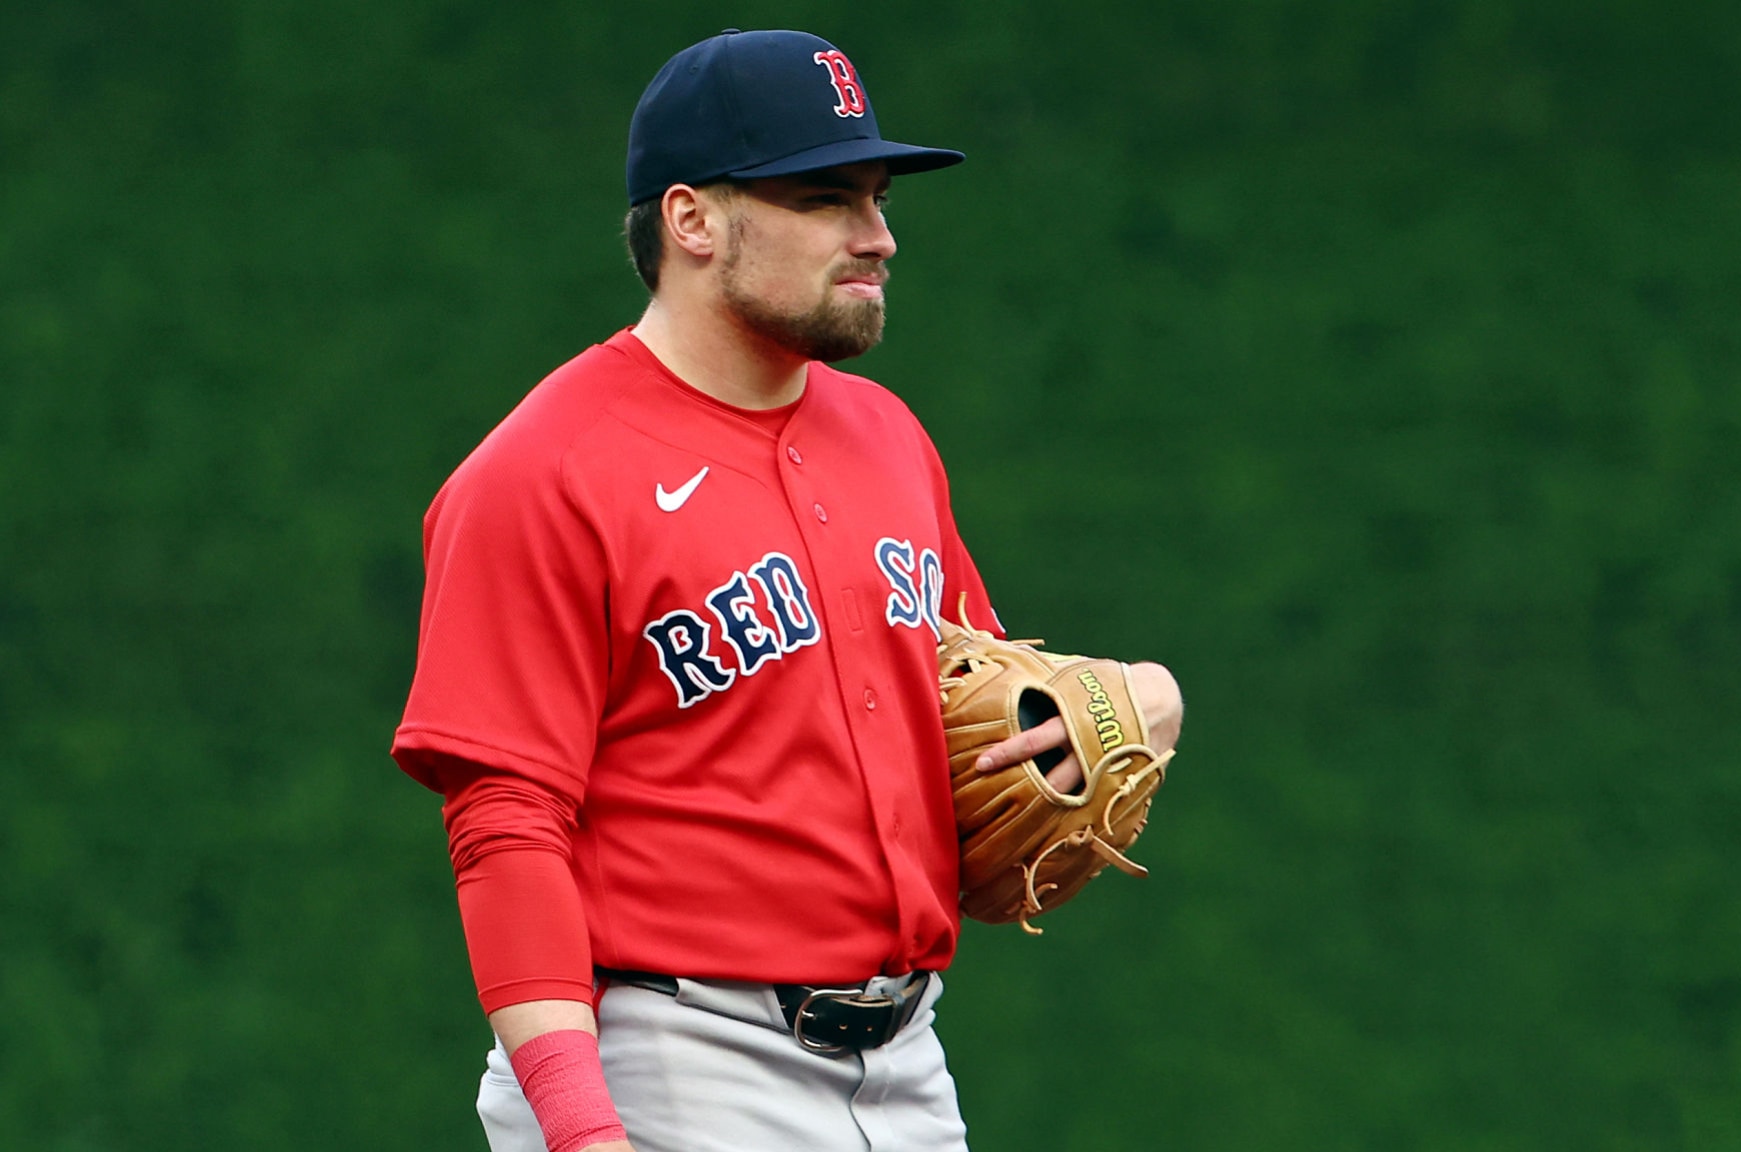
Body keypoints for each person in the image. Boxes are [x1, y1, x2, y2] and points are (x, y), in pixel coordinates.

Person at [390, 28, 1183, 1152]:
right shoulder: (541, 473)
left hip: (908, 1066)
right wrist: (581, 1131)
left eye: (876, 195)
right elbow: (505, 826)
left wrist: (1143, 700)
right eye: (825, 198)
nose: (879, 236)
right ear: (692, 220)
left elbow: (978, 713)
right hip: (675, 1064)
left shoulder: (889, 436)